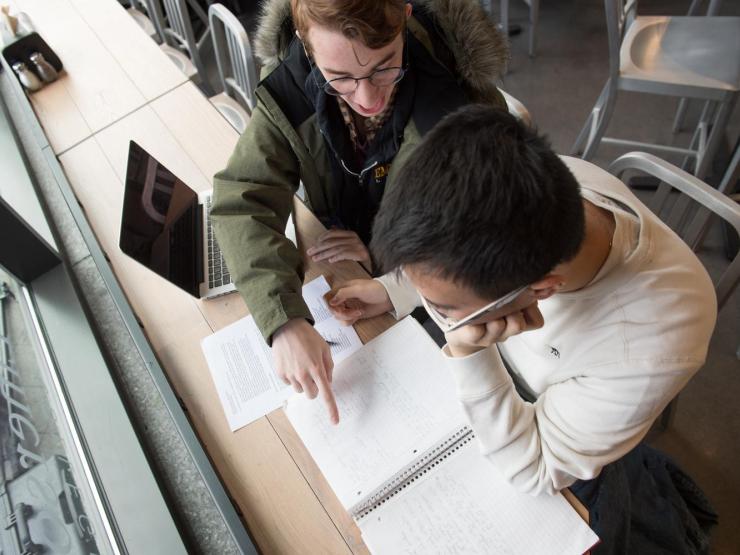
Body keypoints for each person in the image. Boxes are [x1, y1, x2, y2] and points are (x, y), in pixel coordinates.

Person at [328, 105, 718, 553]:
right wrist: (393, 291)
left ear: (543, 290)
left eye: (445, 307)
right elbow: (458, 255)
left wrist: (470, 353)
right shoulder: (539, 187)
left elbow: (535, 469)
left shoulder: (654, 342)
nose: (438, 311)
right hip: (504, 390)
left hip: (555, 458)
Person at [211, 0, 508, 424]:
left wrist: (378, 258)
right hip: (360, 273)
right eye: (340, 78)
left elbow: (481, 244)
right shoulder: (292, 81)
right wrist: (284, 321)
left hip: (436, 299)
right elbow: (244, 194)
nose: (367, 97)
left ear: (404, 14)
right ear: (306, 45)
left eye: (385, 66)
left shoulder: (464, 111)